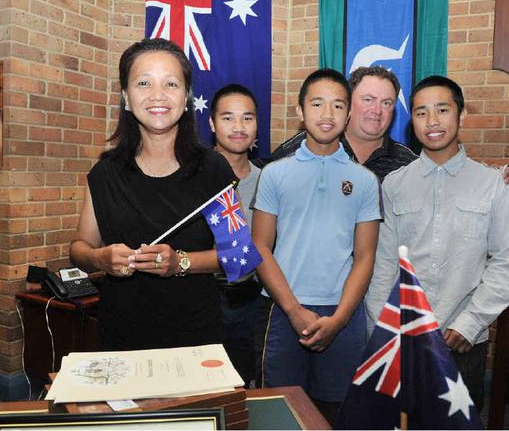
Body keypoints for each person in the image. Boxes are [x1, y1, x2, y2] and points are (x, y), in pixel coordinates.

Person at [364, 75, 509, 412]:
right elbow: (382, 266)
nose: (432, 122)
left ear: (461, 115)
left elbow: (508, 260)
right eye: (421, 113)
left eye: (442, 110)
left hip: (462, 340)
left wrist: (469, 324)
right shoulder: (394, 185)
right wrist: (381, 331)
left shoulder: (491, 187)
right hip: (403, 336)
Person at [69, 38, 237, 351]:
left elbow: (239, 257)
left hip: (195, 336)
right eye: (143, 83)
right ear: (126, 98)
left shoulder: (214, 168)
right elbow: (79, 247)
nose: (157, 95)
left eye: (171, 84)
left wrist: (180, 262)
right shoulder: (104, 173)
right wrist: (98, 258)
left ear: (186, 97)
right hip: (121, 335)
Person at [252, 68, 381, 424]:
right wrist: (293, 309)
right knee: (279, 411)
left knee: (337, 412)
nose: (328, 114)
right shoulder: (275, 173)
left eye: (338, 105)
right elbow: (260, 247)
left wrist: (339, 319)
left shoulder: (365, 180)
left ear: (349, 114)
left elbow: (365, 256)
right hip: (282, 308)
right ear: (299, 112)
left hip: (343, 311)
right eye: (317, 104)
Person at [265, 66, 509, 187]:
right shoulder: (300, 147)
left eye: (387, 102)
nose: (377, 110)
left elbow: (451, 174)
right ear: (348, 103)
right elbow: (255, 176)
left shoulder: (406, 161)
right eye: (368, 99)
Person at [209, 84, 262, 387]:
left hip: (253, 299)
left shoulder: (270, 179)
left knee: (244, 386)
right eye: (228, 118)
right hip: (203, 297)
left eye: (248, 118)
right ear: (213, 124)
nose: (239, 127)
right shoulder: (191, 176)